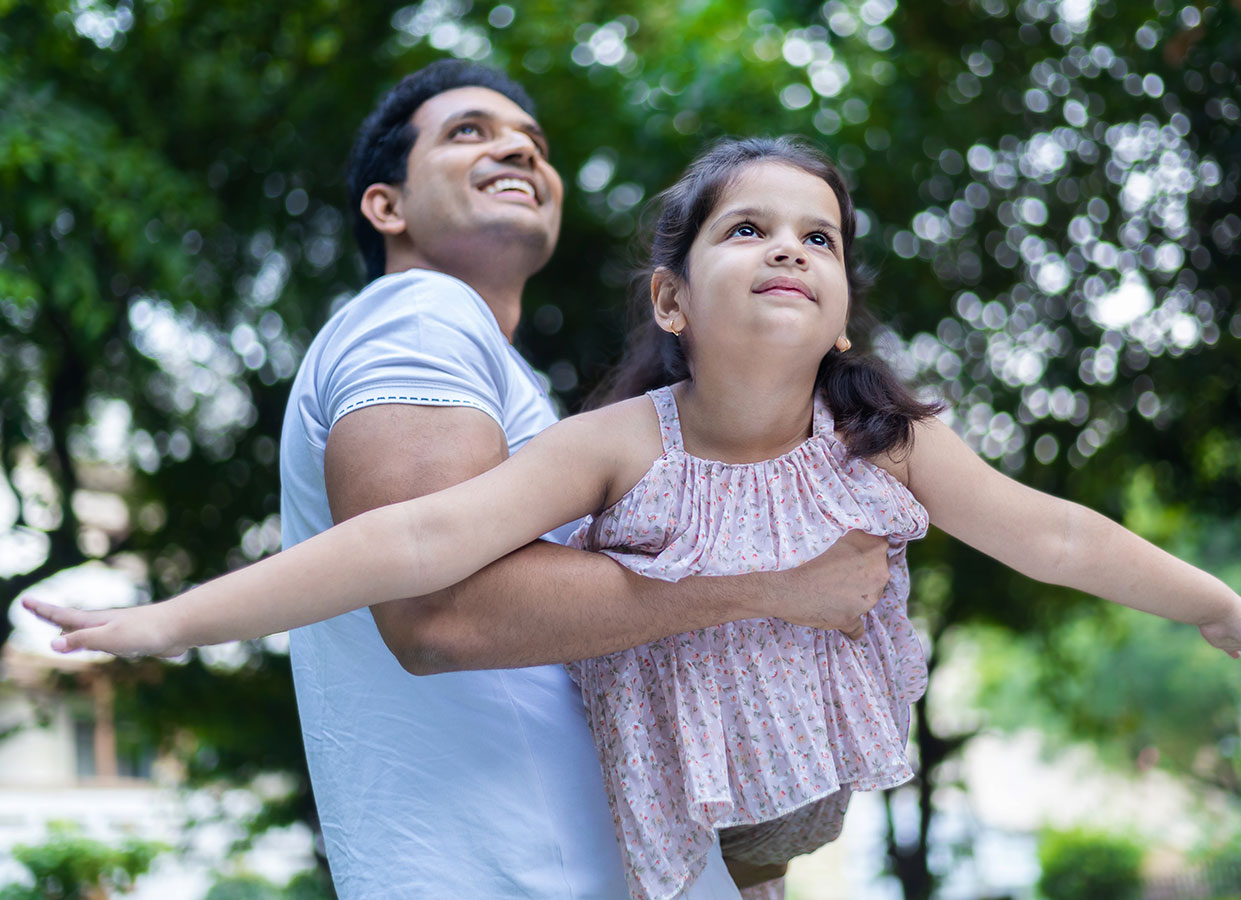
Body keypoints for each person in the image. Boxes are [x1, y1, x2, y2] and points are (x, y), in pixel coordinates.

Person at [27, 137, 1241, 900]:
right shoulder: (615, 448)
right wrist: (166, 621)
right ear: (669, 300)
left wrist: (1218, 606)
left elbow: (1057, 535)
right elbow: (410, 545)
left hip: (809, 779)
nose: (789, 249)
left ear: (843, 306)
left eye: (818, 237)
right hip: (663, 801)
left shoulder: (885, 439)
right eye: (748, 227)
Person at [28, 63, 894, 900]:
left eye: (533, 140)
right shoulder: (421, 311)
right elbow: (442, 609)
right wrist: (773, 588)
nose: (519, 151)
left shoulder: (510, 386)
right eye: (468, 133)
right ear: (387, 205)